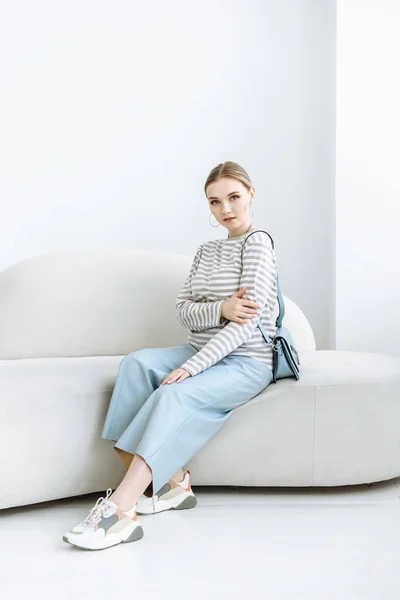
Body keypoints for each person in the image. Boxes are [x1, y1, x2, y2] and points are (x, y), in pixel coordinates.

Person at [63, 161, 279, 551]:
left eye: (233, 197)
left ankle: (121, 511)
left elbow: (247, 325)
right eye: (215, 202)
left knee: (172, 393)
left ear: (251, 194)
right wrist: (219, 309)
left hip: (246, 360)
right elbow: (183, 311)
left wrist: (191, 367)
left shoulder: (259, 243)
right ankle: (176, 484)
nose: (226, 209)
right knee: (135, 364)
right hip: (201, 347)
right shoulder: (206, 250)